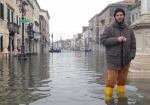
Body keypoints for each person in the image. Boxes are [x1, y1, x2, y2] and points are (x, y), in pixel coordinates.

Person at [100, 7, 136, 100]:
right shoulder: (109, 28)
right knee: (111, 80)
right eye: (117, 15)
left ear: (124, 16)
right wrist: (116, 39)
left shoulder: (129, 29)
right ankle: (108, 97)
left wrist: (132, 55)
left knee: (122, 80)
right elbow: (103, 40)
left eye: (121, 15)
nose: (119, 17)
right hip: (112, 59)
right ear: (115, 17)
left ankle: (121, 95)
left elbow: (133, 44)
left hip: (126, 59)